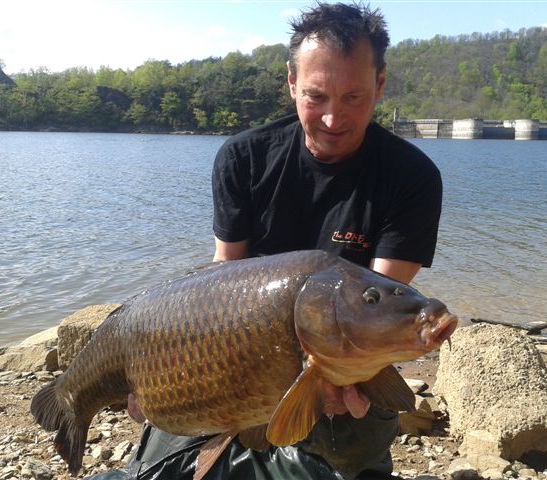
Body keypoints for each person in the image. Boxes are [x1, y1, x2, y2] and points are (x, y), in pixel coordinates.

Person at [89, 2, 442, 479]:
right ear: (292, 83)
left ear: (380, 85)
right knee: (164, 455)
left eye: (354, 97)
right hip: (238, 352)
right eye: (316, 96)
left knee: (347, 437)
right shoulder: (244, 158)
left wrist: (340, 375)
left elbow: (378, 304)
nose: (334, 118)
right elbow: (215, 283)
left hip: (338, 359)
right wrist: (167, 376)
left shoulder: (411, 177)